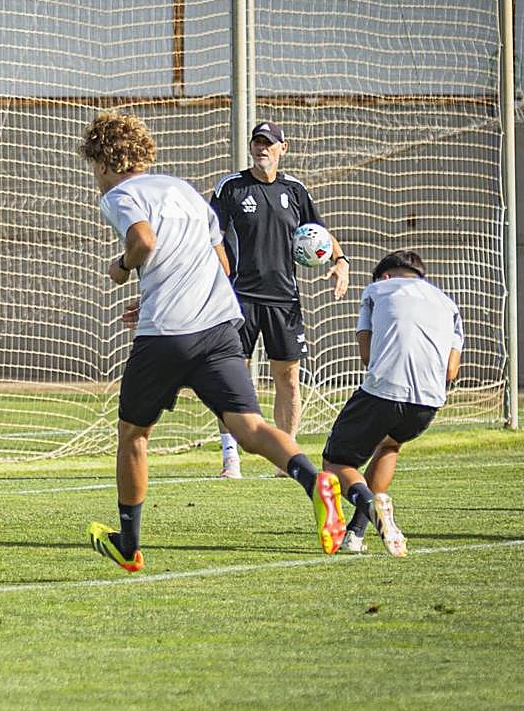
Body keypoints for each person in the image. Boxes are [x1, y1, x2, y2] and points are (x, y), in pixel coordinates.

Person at [78, 111, 347, 571]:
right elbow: (221, 261)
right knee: (252, 428)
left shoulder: (121, 194)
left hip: (168, 334)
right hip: (221, 324)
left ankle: (128, 543)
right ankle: (314, 481)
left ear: (103, 163)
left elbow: (143, 240)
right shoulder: (183, 190)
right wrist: (162, 292)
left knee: (133, 435)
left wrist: (123, 269)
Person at [209, 121, 350, 479]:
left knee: (287, 378)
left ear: (282, 148)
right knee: (233, 377)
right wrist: (222, 279)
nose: (262, 149)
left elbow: (320, 232)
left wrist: (340, 261)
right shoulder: (231, 188)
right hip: (239, 300)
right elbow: (212, 237)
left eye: (269, 144)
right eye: (257, 143)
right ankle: (231, 460)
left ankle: (286, 459)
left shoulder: (295, 190)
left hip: (285, 301)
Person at [322, 250, 462, 556]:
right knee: (389, 445)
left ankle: (371, 503)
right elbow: (452, 371)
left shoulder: (376, 290)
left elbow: (367, 356)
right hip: (428, 403)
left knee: (336, 463)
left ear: (385, 276)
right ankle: (356, 535)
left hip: (383, 391)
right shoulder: (448, 304)